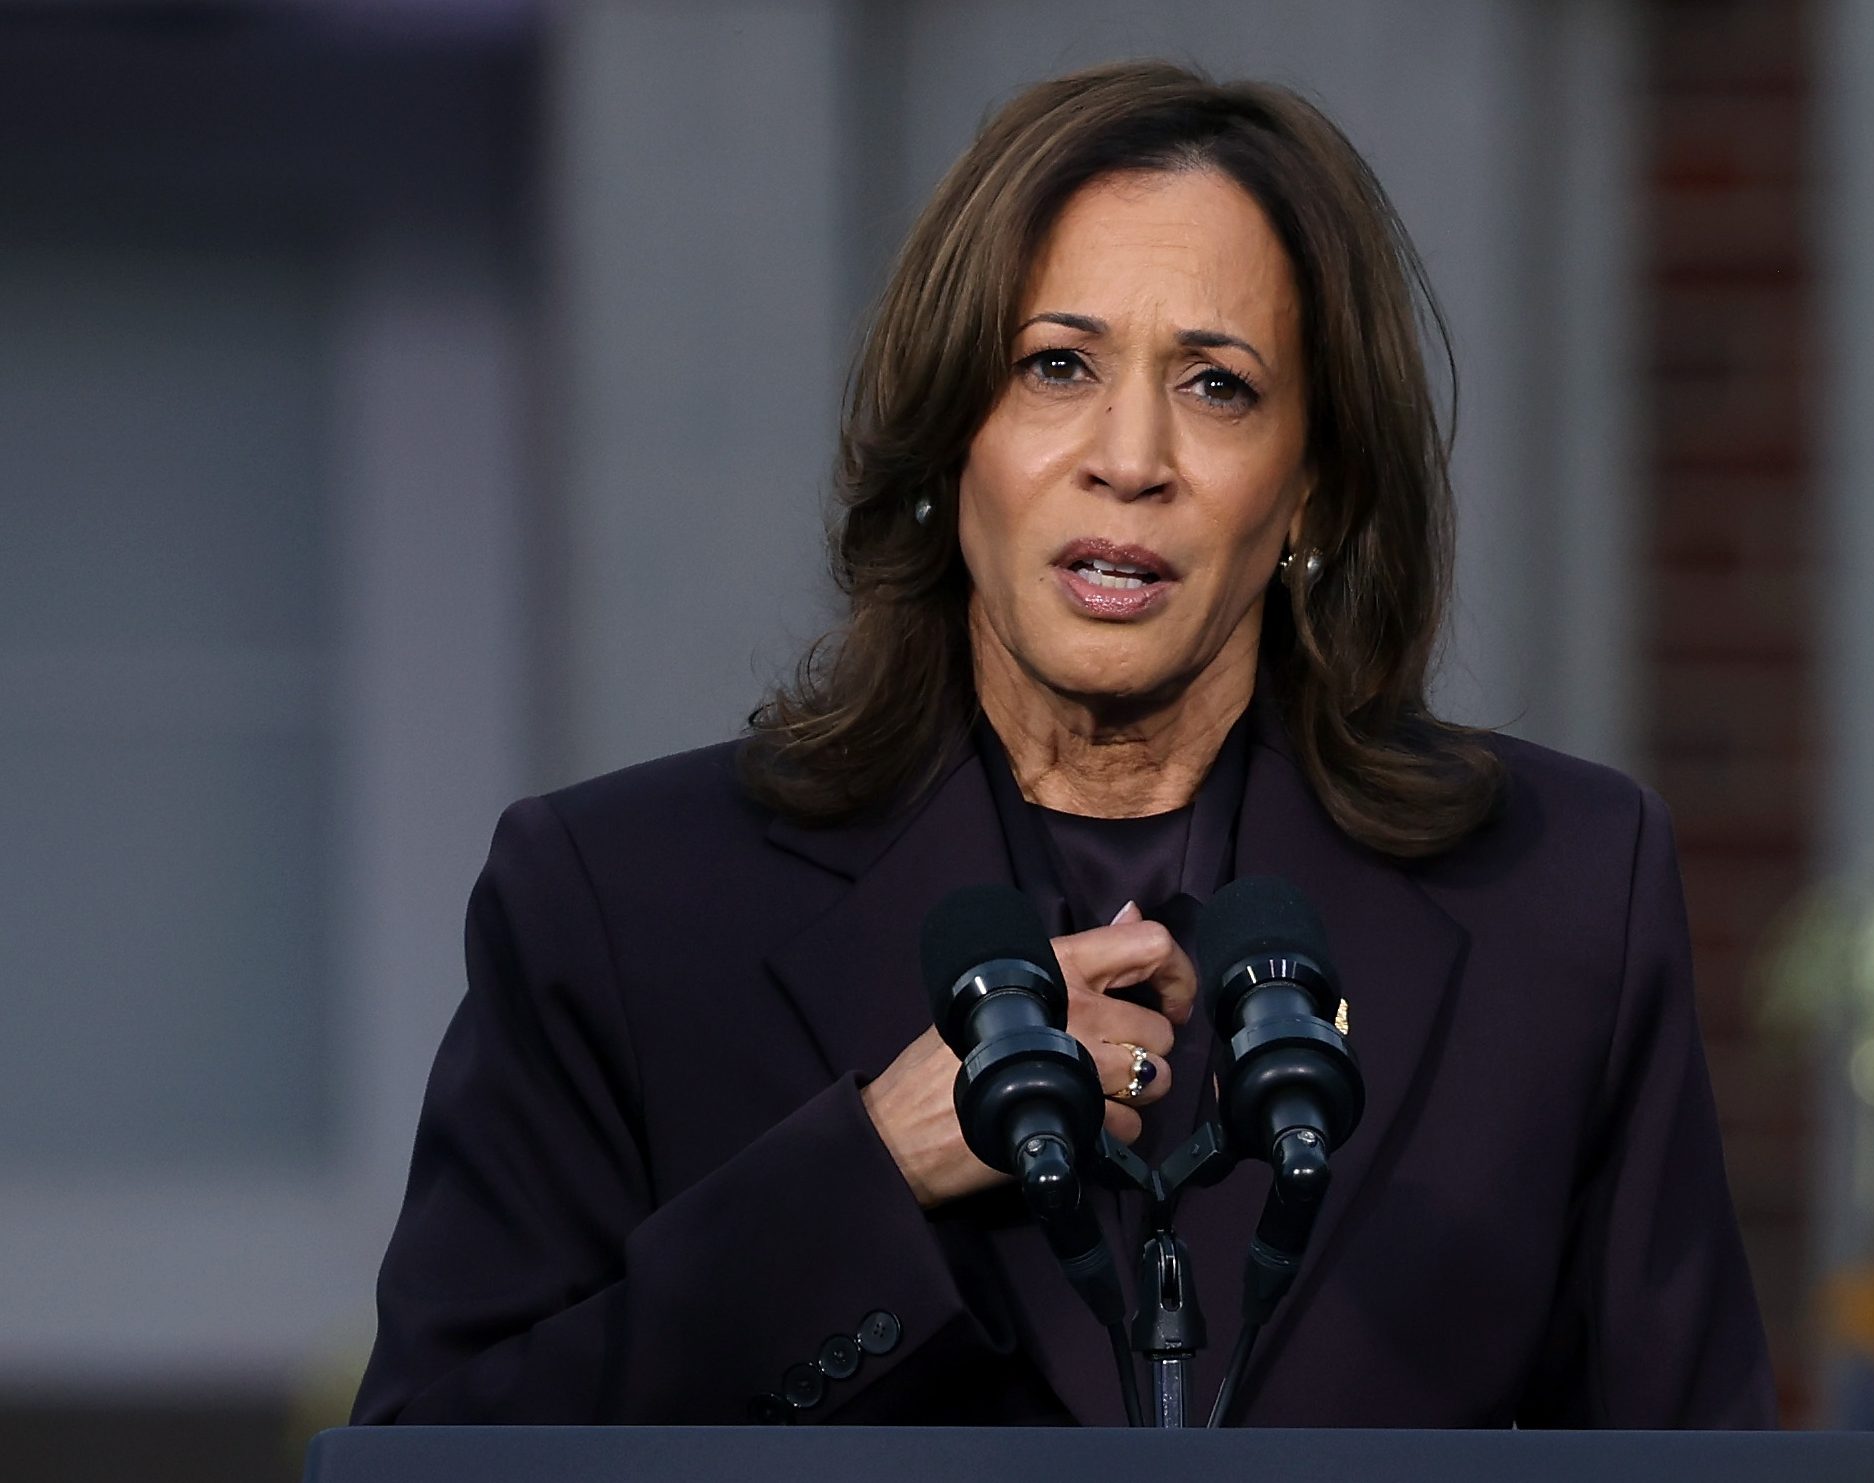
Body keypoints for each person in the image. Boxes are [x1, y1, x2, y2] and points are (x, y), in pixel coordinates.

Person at [352, 59, 1774, 1429]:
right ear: (946, 437)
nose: (1131, 455)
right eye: (1055, 367)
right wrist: (868, 1172)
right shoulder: (619, 906)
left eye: (1216, 384)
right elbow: (435, 1456)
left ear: (1317, 487)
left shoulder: (1562, 900)